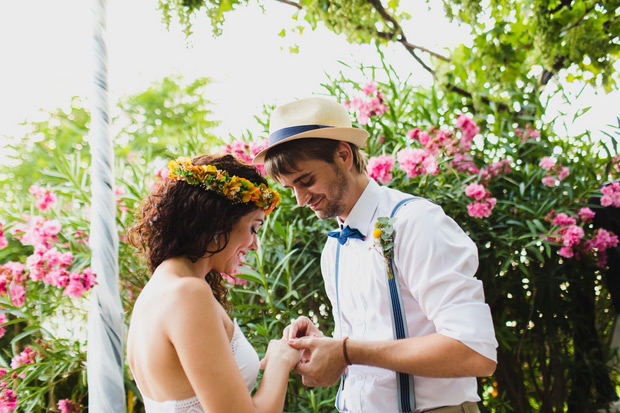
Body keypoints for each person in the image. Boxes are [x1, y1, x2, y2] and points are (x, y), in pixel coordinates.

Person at [252, 97, 498, 412]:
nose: (300, 200)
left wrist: (346, 351)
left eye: (306, 180)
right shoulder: (333, 249)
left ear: (343, 155)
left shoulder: (415, 223)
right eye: (290, 189)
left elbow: (474, 352)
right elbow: (371, 343)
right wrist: (325, 346)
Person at [126, 154, 300, 413]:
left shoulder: (161, 289)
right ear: (219, 220)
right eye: (253, 227)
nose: (255, 245)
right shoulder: (187, 294)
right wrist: (280, 360)